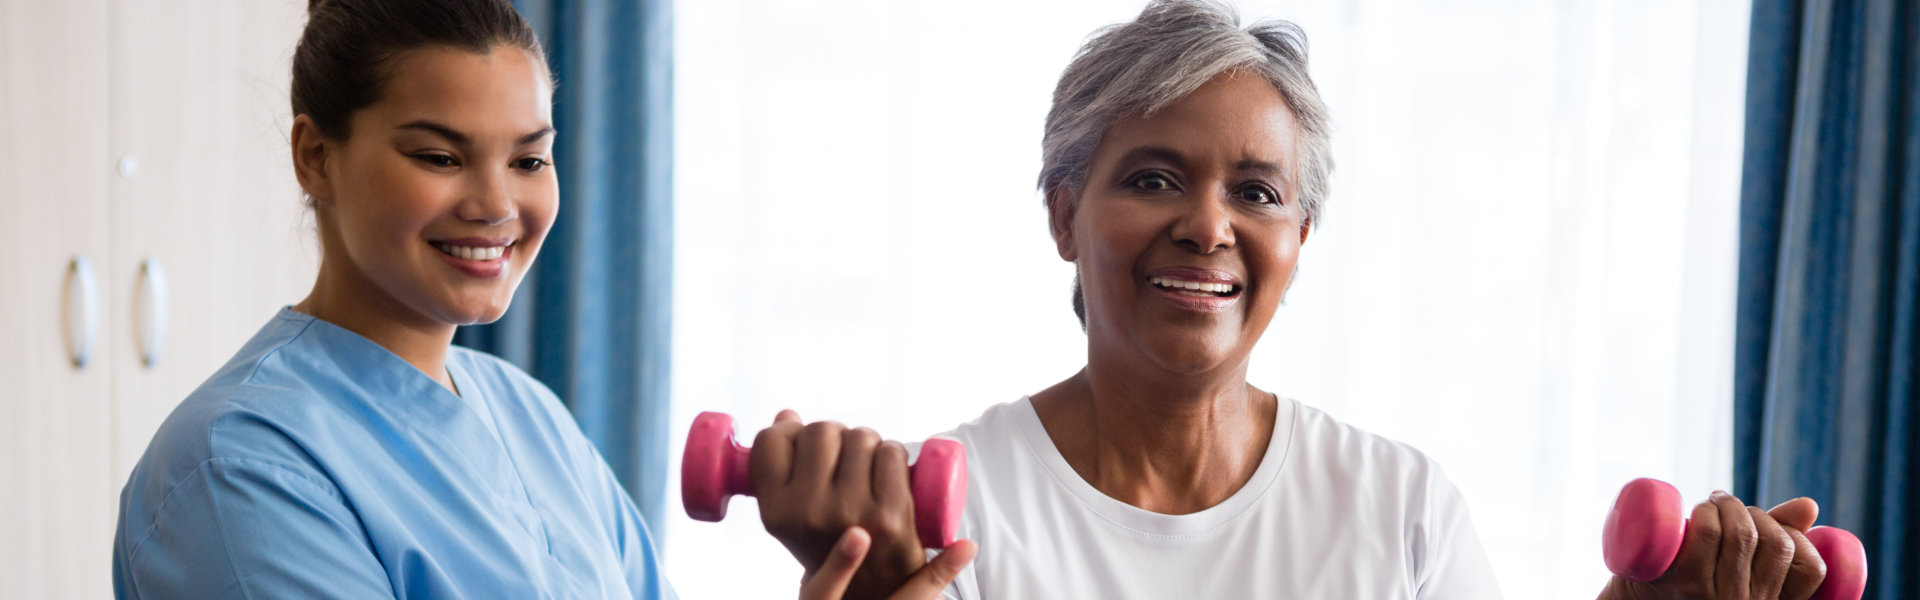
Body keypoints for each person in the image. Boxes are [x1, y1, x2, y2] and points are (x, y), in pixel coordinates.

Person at [748, 1, 1833, 599]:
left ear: (1300, 241)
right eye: (1154, 178)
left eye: (1255, 193)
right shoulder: (948, 514)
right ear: (1063, 214)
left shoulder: (1397, 506)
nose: (1208, 226)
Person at [109, 0, 972, 598]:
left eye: (528, 159)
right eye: (440, 157)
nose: (497, 204)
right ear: (315, 156)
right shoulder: (238, 467)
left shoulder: (531, 418)